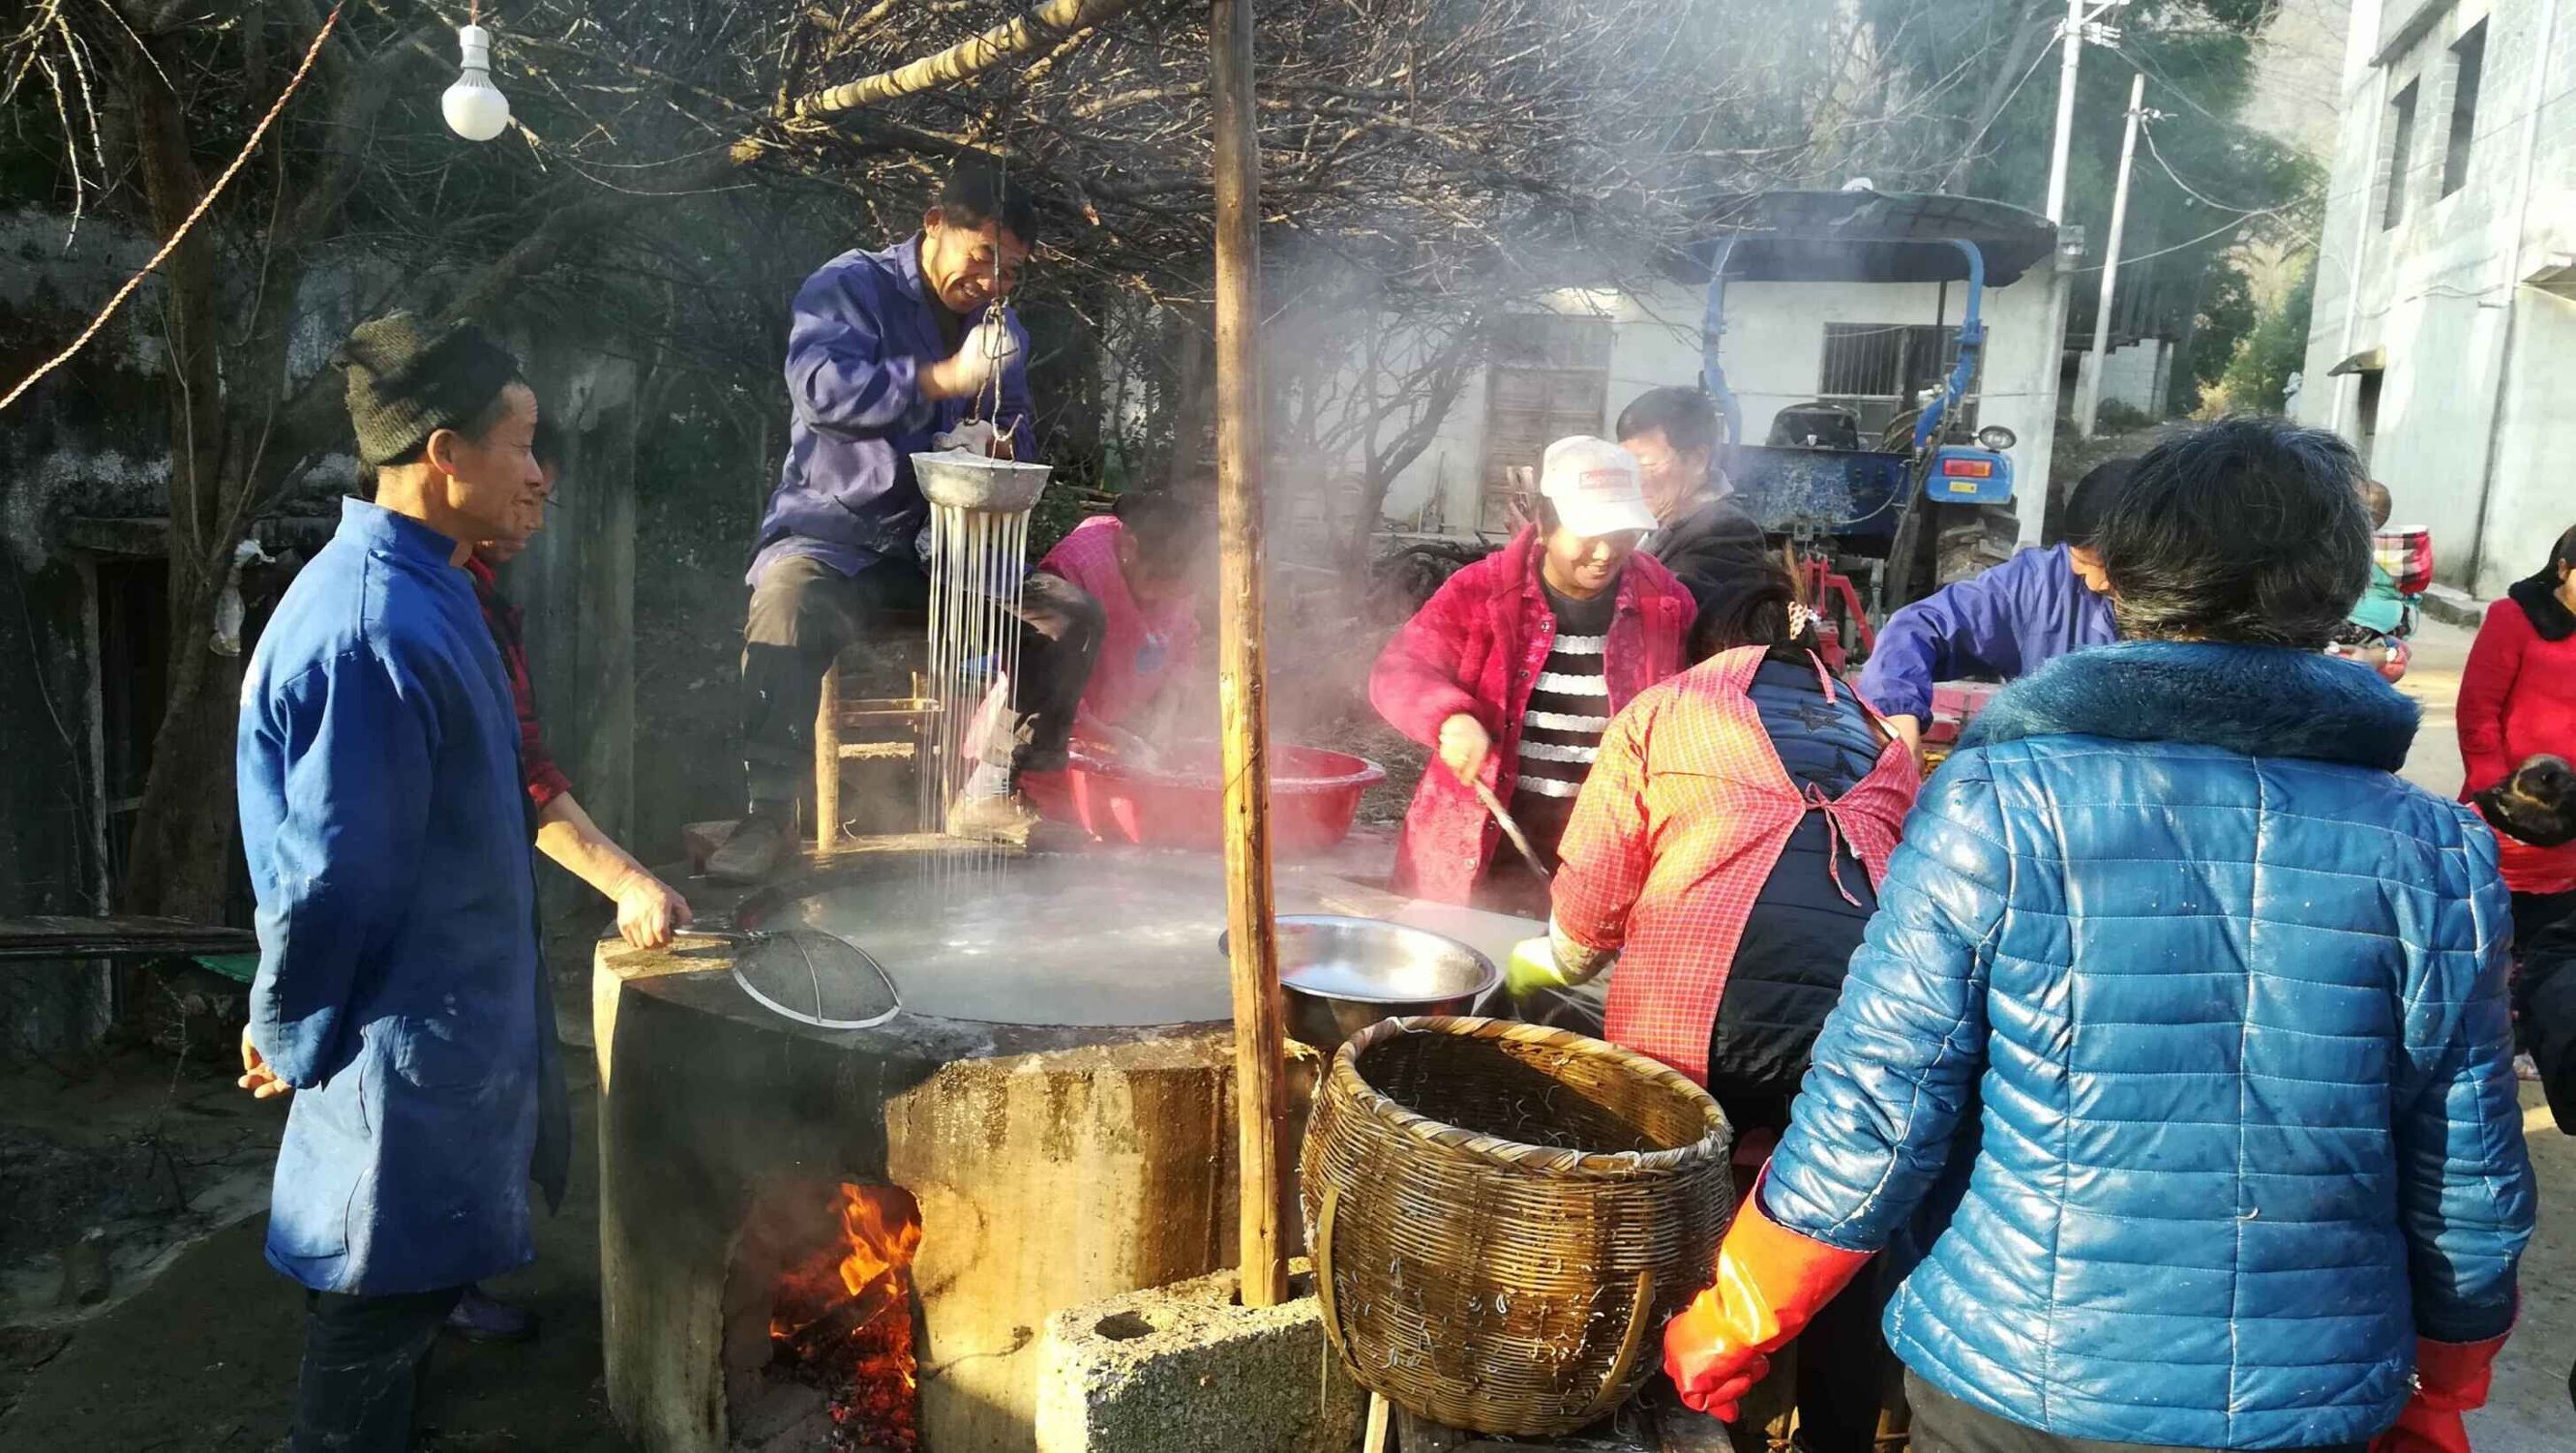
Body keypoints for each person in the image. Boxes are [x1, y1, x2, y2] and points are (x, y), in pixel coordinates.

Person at [1663, 420, 2534, 1453]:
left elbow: (1876, 1105)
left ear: (2121, 577)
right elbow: (2466, 1168)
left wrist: (1743, 1310)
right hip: (2309, 1400)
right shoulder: (2437, 849)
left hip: (2016, 1379)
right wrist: (2444, 1383)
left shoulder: (2000, 804)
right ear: (2334, 589)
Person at [237, 313, 567, 1451]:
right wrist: (284, 1026)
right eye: (521, 442)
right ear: (445, 452)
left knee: (400, 1296)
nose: (538, 473)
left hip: (445, 1026)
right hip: (401, 1042)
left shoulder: (433, 587)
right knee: (370, 1309)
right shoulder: (374, 625)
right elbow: (331, 878)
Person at [1508, 564, 1918, 1453]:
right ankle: (1836, 1438)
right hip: (1858, 1037)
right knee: (1839, 1235)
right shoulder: (1884, 738)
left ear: (1710, 646)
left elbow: (1588, 915)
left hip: (1691, 1027)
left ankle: (1665, 1418)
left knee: (1671, 1220)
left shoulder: (1664, 709)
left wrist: (1547, 961)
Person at [714, 161, 1104, 879]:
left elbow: (1015, 426)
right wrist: (943, 381)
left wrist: (1001, 445)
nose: (992, 284)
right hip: (838, 539)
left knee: (1069, 618)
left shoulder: (1000, 328)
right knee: (786, 602)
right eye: (981, 258)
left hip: (950, 554)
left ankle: (995, 786)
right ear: (933, 225)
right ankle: (768, 815)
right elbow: (822, 393)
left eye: (1010, 272)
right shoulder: (848, 287)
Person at [1369, 436, 1693, 915]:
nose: (1605, 553)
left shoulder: (1663, 603)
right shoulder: (1481, 591)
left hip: (1601, 846)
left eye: (1621, 533)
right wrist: (1450, 718)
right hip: (1476, 835)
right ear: (1544, 524)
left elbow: (1690, 710)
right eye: (1588, 534)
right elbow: (1398, 671)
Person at [1856, 457, 2128, 757]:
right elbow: (1918, 628)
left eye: (2104, 568)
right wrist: (1897, 715)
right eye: (2081, 566)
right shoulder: (2041, 587)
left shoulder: (2184, 617)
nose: (2092, 584)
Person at [2456, 522, 2576, 956]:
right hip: (2508, 808)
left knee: (2552, 946)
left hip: (2572, 822)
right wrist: (2502, 801)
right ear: (2563, 569)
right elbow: (2477, 712)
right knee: (2485, 932)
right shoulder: (2514, 618)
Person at [1030, 489, 1208, 763]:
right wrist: (1103, 734)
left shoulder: (1180, 573)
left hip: (1123, 732)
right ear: (1129, 546)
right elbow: (1040, 677)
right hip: (1044, 739)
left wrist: (1166, 711)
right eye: (1157, 586)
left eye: (1175, 592)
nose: (1163, 600)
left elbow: (1185, 640)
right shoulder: (1074, 568)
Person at [1616, 386, 1767, 608]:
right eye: (1626, 465)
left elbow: (1672, 608)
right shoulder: (1650, 520)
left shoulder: (1727, 532)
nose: (1636, 479)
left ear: (1697, 460)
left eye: (1647, 465)